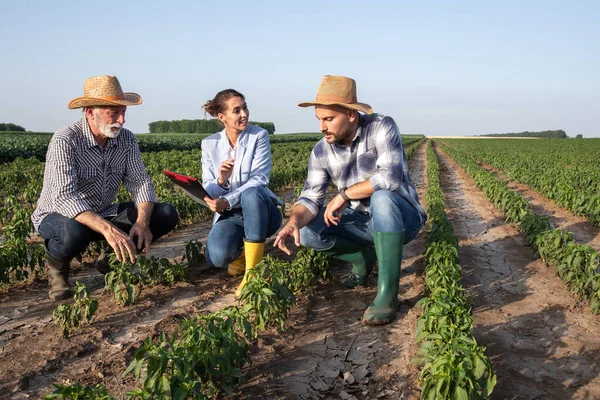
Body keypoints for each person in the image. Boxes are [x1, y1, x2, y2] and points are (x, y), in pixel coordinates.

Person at [274, 75, 427, 325]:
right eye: (319, 120)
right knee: (309, 230)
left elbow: (389, 179)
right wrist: (293, 222)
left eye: (329, 119)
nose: (322, 127)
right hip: (361, 221)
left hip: (401, 219)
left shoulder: (381, 127)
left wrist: (344, 195)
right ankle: (361, 256)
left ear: (351, 114)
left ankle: (387, 295)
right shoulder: (321, 150)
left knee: (382, 198)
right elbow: (310, 197)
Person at [32, 75, 179, 301]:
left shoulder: (126, 140)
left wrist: (142, 222)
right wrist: (109, 230)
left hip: (102, 211)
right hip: (58, 215)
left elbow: (140, 182)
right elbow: (64, 197)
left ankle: (111, 261)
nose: (121, 120)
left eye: (123, 112)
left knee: (165, 213)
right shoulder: (66, 139)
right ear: (90, 112)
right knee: (73, 232)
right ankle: (58, 271)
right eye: (114, 113)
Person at [200, 89, 283, 296]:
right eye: (236, 110)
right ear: (222, 117)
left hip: (262, 212)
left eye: (244, 107)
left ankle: (252, 272)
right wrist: (221, 180)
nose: (244, 114)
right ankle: (242, 251)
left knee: (252, 192)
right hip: (234, 216)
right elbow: (208, 187)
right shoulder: (209, 144)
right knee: (217, 258)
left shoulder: (258, 136)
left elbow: (259, 179)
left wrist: (226, 200)